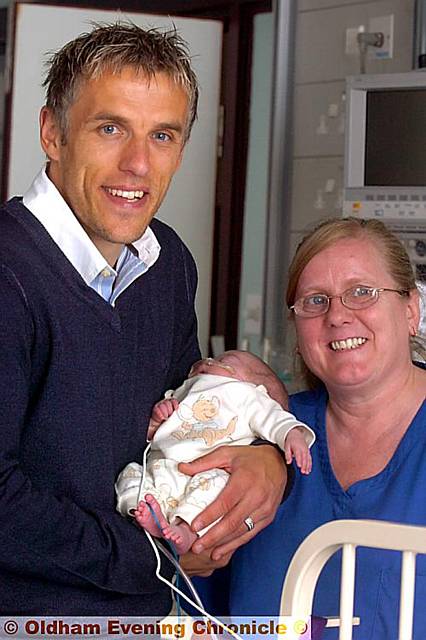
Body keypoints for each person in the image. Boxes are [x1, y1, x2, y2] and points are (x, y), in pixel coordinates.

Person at [0, 22, 288, 616]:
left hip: (141, 615)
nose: (137, 163)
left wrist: (264, 456)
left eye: (162, 135)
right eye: (110, 128)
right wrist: (152, 557)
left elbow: (182, 421)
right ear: (53, 133)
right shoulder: (9, 272)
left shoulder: (169, 264)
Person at [191, 218, 426, 639]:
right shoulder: (255, 436)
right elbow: (197, 592)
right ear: (299, 332)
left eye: (361, 293)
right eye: (315, 301)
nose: (338, 316)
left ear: (411, 310)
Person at [115, 350, 315, 554]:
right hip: (165, 466)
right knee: (131, 473)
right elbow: (148, 435)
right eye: (212, 359)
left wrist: (292, 434)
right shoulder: (182, 391)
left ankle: (185, 532)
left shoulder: (248, 397)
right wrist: (158, 419)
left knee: (219, 489)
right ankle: (143, 511)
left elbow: (276, 419)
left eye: (226, 361)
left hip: (209, 472)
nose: (210, 362)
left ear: (255, 385)